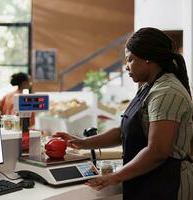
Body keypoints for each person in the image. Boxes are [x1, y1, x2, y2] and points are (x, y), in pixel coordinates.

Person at [55, 27, 193, 200]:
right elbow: (123, 131)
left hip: (168, 184)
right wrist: (82, 143)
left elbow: (157, 151)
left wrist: (114, 177)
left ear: (148, 58)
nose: (126, 67)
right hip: (146, 180)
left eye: (130, 59)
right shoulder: (148, 88)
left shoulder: (166, 92)